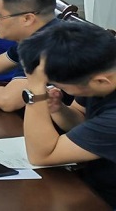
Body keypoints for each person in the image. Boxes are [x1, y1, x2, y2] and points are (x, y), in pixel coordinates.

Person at [19, 21, 116, 207]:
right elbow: (82, 120)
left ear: (101, 81)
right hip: (92, 181)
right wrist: (59, 109)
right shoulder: (101, 69)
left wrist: (35, 91)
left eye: (61, 86)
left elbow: (42, 156)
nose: (57, 88)